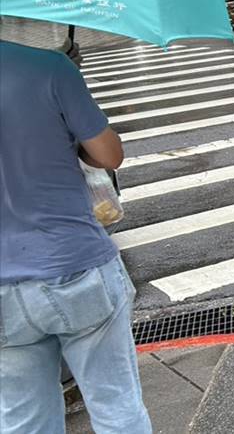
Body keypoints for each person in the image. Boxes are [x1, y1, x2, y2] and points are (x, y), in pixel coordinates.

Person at [0, 25, 151, 433]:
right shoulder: (49, 68)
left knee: (22, 419)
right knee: (116, 406)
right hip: (75, 265)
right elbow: (109, 155)